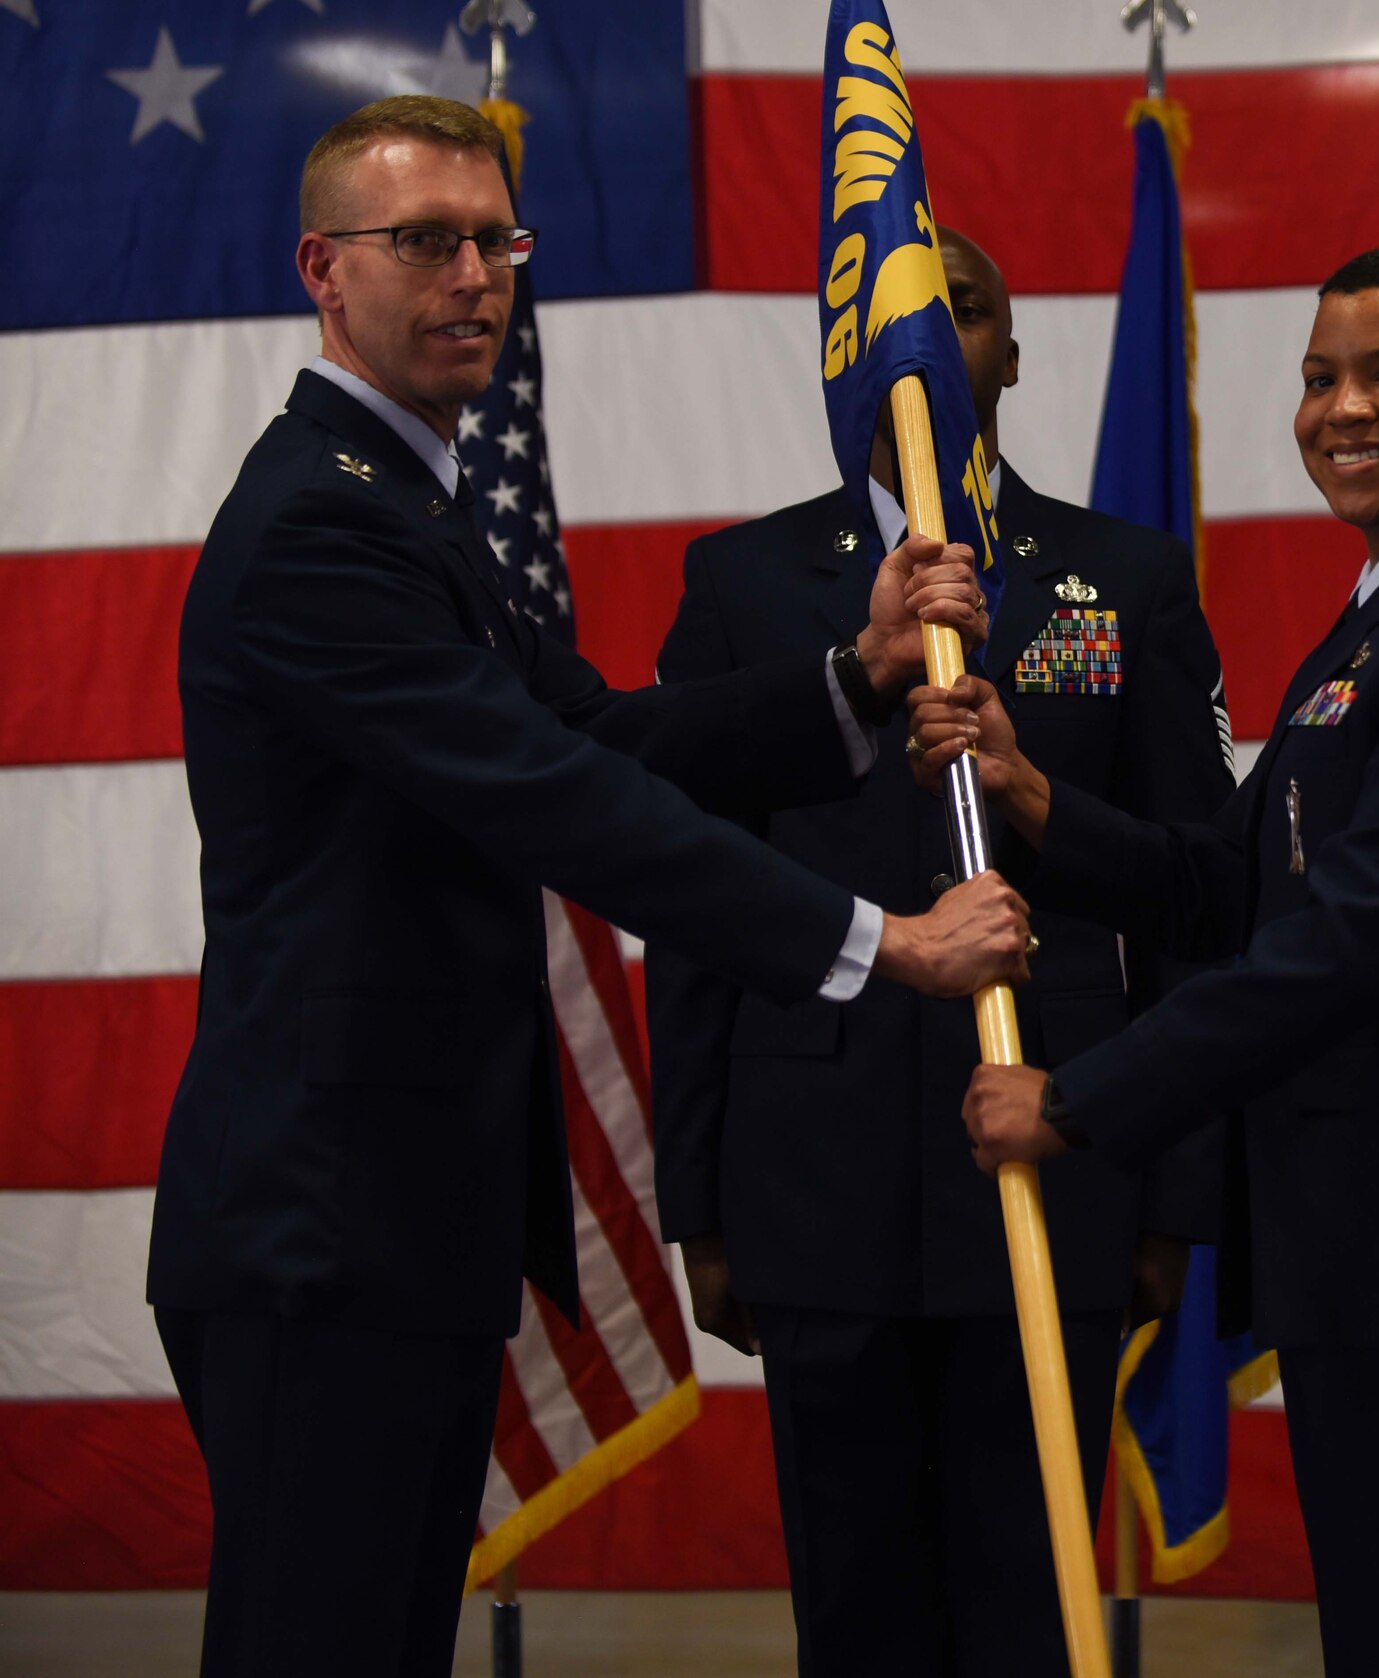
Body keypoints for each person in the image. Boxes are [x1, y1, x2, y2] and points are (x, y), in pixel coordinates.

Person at [146, 96, 1029, 1678]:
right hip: (317, 1226)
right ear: (322, 271)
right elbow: (562, 797)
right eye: (424, 240)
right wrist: (880, 943)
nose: (475, 274)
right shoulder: (319, 524)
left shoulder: (413, 500)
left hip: (397, 1220)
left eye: (497, 239)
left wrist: (856, 668)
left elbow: (600, 725)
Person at [918, 248, 1379, 1676]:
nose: (1342, 409)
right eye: (1319, 378)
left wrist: (1075, 1102)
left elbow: (1349, 938)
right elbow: (1235, 877)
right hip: (1377, 1238)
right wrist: (1037, 799)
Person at [645, 227, 1235, 1675]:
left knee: (1027, 1600)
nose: (928, 343)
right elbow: (692, 901)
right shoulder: (743, 584)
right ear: (847, 362)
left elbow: (1200, 904)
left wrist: (1175, 1192)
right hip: (813, 1171)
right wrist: (700, 1199)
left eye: (963, 311)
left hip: (1057, 1164)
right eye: (892, 321)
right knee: (857, 1616)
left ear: (1010, 355)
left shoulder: (1126, 578)